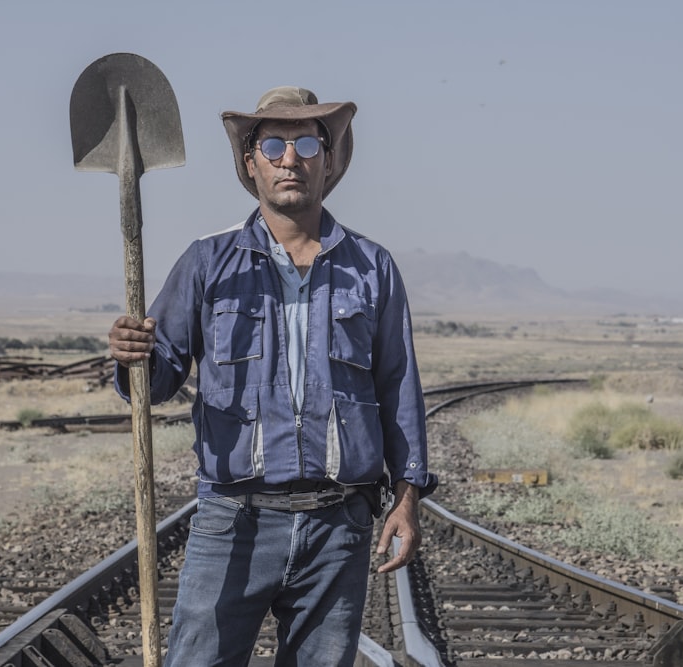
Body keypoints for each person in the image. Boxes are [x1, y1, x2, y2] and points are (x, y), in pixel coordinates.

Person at [108, 86, 437, 666]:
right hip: (232, 521)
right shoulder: (207, 262)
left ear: (329, 161)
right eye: (275, 144)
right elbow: (156, 381)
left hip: (338, 526)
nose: (292, 158)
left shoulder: (372, 268)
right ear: (250, 161)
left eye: (309, 142)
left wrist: (406, 502)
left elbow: (398, 389)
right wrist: (132, 354)